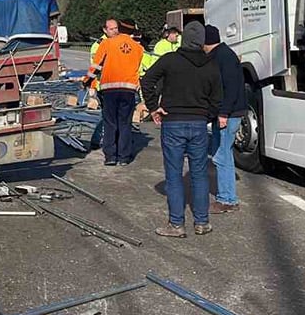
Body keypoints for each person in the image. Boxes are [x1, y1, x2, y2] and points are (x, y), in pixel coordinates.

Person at [141, 22, 222, 238]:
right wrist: (207, 115)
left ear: (184, 39)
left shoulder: (170, 60)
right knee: (199, 174)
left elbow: (147, 80)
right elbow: (217, 98)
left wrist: (153, 107)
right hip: (198, 123)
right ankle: (202, 222)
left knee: (174, 175)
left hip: (173, 121)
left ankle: (176, 224)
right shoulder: (211, 65)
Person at [86, 17, 144, 167]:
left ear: (119, 28)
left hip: (109, 90)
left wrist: (87, 81)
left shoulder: (107, 43)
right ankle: (124, 157)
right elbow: (137, 68)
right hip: (129, 90)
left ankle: (110, 156)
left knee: (110, 123)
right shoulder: (138, 48)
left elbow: (96, 66)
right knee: (125, 123)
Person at [204, 25, 248, 213]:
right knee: (224, 154)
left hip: (228, 115)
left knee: (221, 156)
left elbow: (229, 88)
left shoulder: (222, 57)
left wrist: (223, 113)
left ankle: (227, 199)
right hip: (229, 113)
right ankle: (228, 198)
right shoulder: (224, 54)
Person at [86, 19, 118, 150]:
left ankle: (110, 139)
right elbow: (95, 68)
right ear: (105, 30)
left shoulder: (116, 42)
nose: (115, 31)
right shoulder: (99, 45)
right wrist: (92, 86)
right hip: (103, 85)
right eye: (112, 29)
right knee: (109, 115)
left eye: (116, 28)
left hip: (114, 84)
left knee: (111, 115)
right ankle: (99, 139)